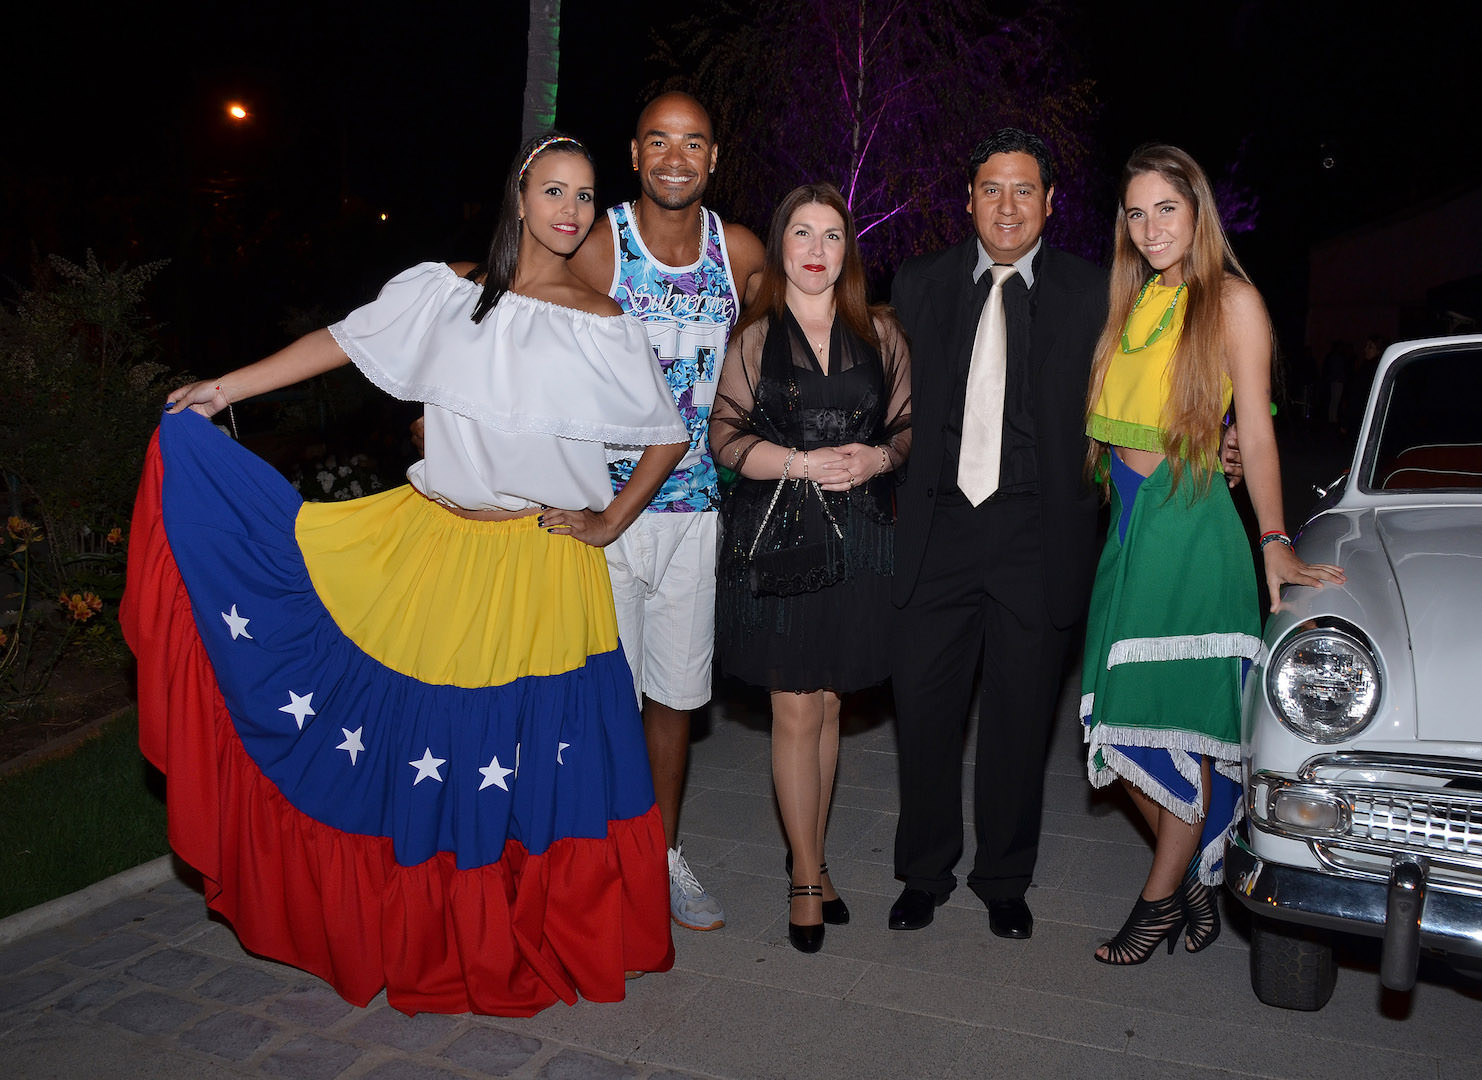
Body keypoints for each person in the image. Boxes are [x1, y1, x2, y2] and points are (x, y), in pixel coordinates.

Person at [123, 134, 688, 1014]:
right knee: (442, 747)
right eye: (553, 191)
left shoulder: (603, 321)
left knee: (526, 754)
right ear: (520, 197)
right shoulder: (447, 290)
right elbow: (343, 341)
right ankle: (430, 935)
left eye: (584, 195)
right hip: (437, 546)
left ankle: (528, 926)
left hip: (543, 565)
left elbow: (667, 435)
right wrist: (224, 391)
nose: (570, 210)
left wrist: (609, 521)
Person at [1080, 143, 1344, 965]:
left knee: (1172, 724)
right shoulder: (1132, 300)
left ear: (1197, 211)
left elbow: (1256, 433)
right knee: (1115, 727)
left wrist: (1274, 540)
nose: (1150, 226)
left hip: (1190, 530)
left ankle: (1157, 899)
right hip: (1129, 529)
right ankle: (1197, 865)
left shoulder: (1231, 300)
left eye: (1166, 208)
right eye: (1135, 212)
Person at [887, 128, 1105, 941]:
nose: (1005, 206)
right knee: (924, 713)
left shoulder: (1094, 293)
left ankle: (1004, 879)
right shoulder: (919, 283)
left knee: (1019, 721)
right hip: (935, 530)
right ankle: (922, 873)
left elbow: (1141, 394)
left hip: (1036, 534)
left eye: (1022, 190)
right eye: (990, 189)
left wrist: (1216, 439)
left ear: (1049, 202)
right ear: (968, 199)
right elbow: (883, 392)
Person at [568, 91, 766, 932]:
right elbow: (524, 331)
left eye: (692, 143)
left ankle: (660, 857)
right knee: (599, 704)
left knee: (674, 700)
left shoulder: (739, 251)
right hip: (599, 513)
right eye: (659, 141)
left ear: (713, 158)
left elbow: (770, 340)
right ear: (634, 153)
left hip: (694, 515)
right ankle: (592, 869)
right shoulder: (596, 244)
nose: (675, 158)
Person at [709, 184, 911, 953]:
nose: (816, 249)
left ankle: (815, 857)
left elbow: (908, 426)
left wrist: (877, 458)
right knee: (794, 707)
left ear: (846, 249)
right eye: (801, 233)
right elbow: (725, 438)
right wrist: (797, 462)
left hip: (859, 536)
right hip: (781, 538)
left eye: (831, 235)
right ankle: (801, 876)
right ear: (781, 244)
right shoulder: (754, 337)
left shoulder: (880, 332)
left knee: (826, 704)